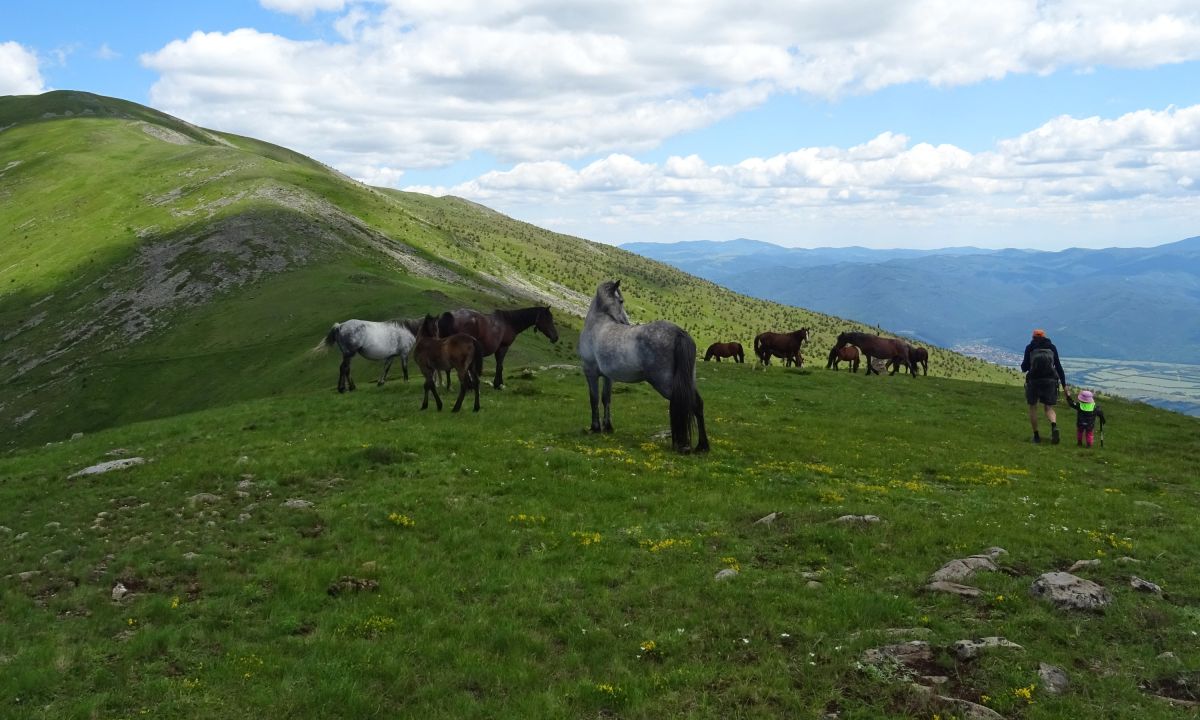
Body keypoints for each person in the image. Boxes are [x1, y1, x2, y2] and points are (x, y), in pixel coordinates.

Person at [1020, 329, 1067, 444]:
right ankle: (1054, 425)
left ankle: (1036, 437)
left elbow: (1024, 367)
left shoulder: (1030, 348)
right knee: (1048, 408)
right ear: (1045, 337)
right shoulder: (1052, 347)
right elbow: (1059, 367)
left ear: (1033, 337)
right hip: (1050, 380)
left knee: (1033, 407)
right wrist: (1065, 386)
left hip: (1034, 381)